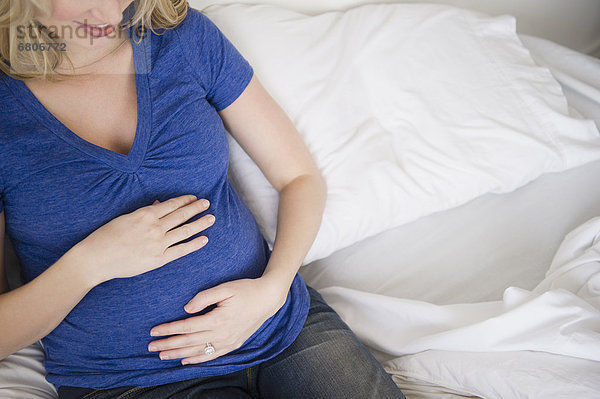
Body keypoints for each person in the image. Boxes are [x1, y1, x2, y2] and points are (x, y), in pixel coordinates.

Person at [0, 1, 406, 398]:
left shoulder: (180, 38)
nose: (111, 16)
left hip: (278, 324)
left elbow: (298, 177)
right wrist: (89, 264)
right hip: (132, 379)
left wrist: (272, 290)